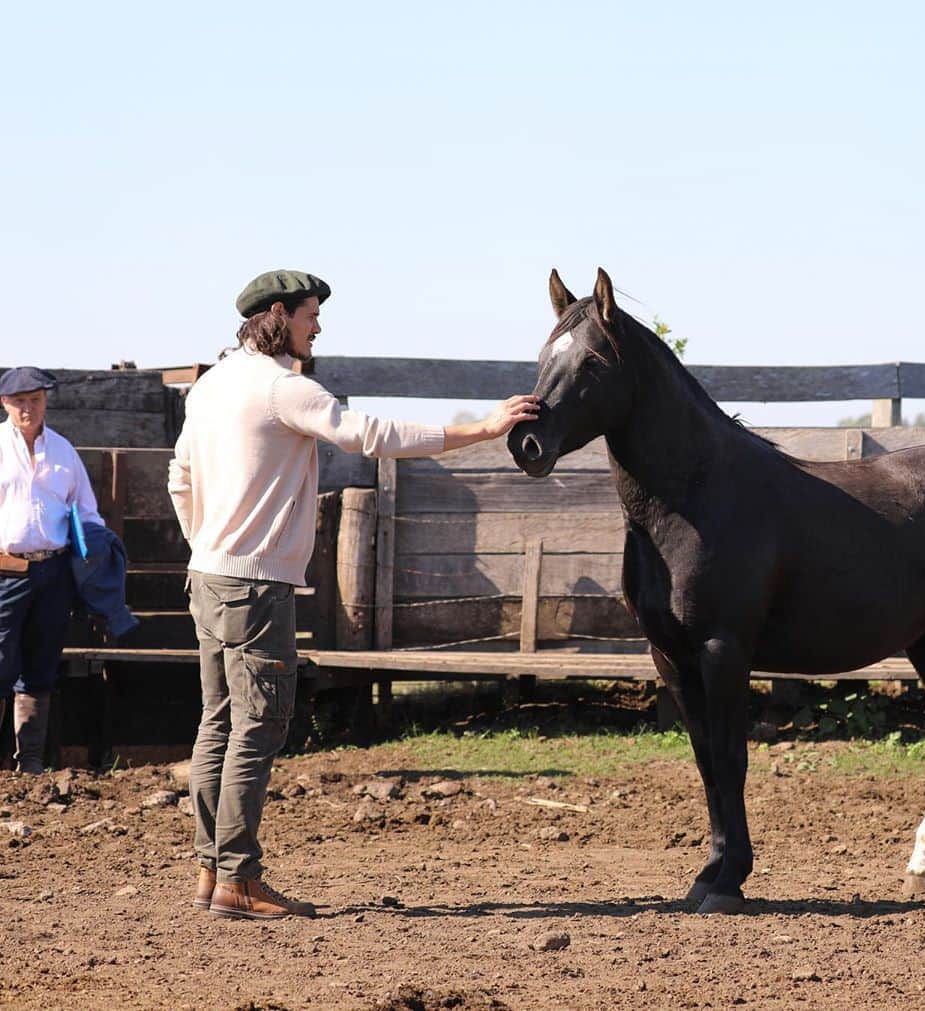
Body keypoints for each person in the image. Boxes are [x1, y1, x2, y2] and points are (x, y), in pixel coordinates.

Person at [168, 269, 539, 921]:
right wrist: (481, 429)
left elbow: (178, 477)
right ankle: (238, 879)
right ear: (280, 314)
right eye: (312, 313)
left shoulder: (210, 386)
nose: (319, 325)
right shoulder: (281, 388)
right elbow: (371, 434)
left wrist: (207, 542)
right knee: (258, 725)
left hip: (209, 576)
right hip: (254, 586)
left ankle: (210, 867)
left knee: (218, 721)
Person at [0, 367, 105, 774]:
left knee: (41, 665)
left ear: (46, 401)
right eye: (20, 401)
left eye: (36, 400)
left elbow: (88, 510)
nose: (29, 408)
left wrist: (95, 556)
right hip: (5, 572)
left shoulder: (63, 451)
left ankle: (30, 765)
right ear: (5, 403)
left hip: (53, 572)